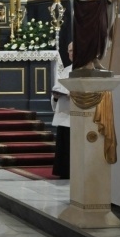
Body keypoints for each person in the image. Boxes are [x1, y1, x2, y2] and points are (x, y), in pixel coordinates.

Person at [51, 42, 73, 179]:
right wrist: (55, 96)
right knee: (64, 144)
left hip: (75, 114)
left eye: (73, 50)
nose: (71, 53)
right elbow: (57, 86)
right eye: (69, 50)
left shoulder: (85, 70)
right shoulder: (66, 70)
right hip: (64, 111)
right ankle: (63, 171)